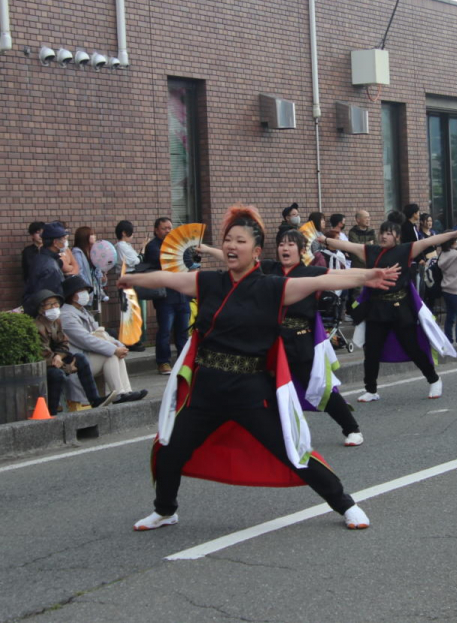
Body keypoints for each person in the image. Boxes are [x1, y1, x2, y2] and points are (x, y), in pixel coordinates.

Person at [118, 205, 398, 532]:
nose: (231, 246)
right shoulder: (209, 282)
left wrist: (367, 275)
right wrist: (132, 279)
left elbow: (325, 278)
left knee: (293, 452)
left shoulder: (271, 287)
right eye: (227, 240)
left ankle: (345, 503)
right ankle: (165, 509)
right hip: (206, 390)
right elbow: (168, 278)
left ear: (255, 250)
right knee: (169, 449)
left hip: (249, 391)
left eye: (239, 241)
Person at [322, 220, 457, 401]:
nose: (383, 236)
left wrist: (453, 234)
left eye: (388, 233)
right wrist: (326, 241)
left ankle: (434, 379)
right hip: (376, 309)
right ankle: (371, 390)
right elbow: (347, 245)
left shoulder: (405, 250)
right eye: (382, 232)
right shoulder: (371, 251)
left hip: (400, 309)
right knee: (371, 351)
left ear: (397, 236)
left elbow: (430, 241)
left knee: (412, 348)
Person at [261, 228, 363, 446]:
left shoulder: (311, 272)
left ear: (300, 249)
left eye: (290, 244)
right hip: (271, 343)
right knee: (265, 390)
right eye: (281, 244)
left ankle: (352, 428)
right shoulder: (269, 269)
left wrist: (372, 275)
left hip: (300, 342)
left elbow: (343, 277)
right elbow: (240, 263)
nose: (285, 248)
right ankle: (276, 436)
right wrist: (211, 251)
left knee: (319, 389)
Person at [59, 275, 147, 404]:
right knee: (110, 355)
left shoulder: (83, 311)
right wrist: (113, 349)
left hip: (89, 355)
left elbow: (100, 331)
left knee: (116, 354)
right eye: (81, 291)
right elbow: (85, 339)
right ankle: (119, 394)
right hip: (77, 361)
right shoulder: (66, 315)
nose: (86, 294)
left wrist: (117, 344)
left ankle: (126, 391)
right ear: (71, 295)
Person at [29, 288, 116, 413]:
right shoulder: (37, 326)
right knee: (57, 374)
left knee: (80, 359)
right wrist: (67, 367)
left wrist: (60, 356)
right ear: (41, 309)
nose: (54, 307)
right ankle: (52, 411)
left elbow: (63, 343)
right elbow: (43, 352)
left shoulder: (56, 321)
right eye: (50, 305)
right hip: (45, 363)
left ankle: (94, 399)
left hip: (57, 359)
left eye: (56, 304)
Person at [142, 217, 187, 375]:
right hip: (165, 296)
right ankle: (163, 362)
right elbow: (166, 263)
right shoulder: (153, 247)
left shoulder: (178, 243)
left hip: (182, 294)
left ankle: (184, 362)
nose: (168, 231)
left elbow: (186, 262)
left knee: (183, 331)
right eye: (164, 228)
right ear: (156, 230)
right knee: (165, 330)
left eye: (170, 228)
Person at [23, 222, 68, 314]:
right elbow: (48, 298)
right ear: (55, 242)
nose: (65, 242)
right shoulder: (50, 266)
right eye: (64, 239)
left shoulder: (42, 258)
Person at [71, 226, 106, 308]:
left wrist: (102, 279)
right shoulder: (77, 252)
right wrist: (87, 288)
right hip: (85, 292)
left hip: (95, 292)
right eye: (92, 234)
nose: (94, 237)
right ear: (84, 237)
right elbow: (80, 273)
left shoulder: (92, 251)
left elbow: (96, 270)